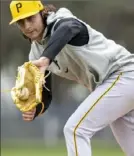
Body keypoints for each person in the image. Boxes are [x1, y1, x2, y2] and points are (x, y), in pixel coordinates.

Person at [9, 1, 134, 156]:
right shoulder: (36, 53)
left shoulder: (60, 21)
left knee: (75, 130)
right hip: (116, 86)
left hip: (125, 74)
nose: (27, 26)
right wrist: (36, 109)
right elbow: (46, 94)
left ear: (42, 13)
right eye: (21, 22)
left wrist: (46, 59)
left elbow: (69, 28)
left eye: (30, 18)